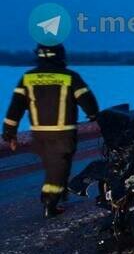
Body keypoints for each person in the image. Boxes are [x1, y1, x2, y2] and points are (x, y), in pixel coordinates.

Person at [3, 44, 99, 217]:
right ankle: (50, 202)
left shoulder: (28, 78)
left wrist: (9, 132)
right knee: (59, 167)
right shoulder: (69, 77)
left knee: (52, 166)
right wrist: (94, 115)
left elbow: (15, 107)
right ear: (60, 56)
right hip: (63, 133)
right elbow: (87, 99)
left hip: (39, 134)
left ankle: (59, 193)